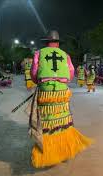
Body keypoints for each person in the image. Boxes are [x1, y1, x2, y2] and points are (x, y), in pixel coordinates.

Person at [29, 30, 92, 168]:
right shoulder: (65, 55)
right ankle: (64, 149)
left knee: (47, 122)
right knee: (63, 118)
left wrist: (40, 81)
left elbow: (34, 74)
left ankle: (48, 151)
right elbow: (70, 74)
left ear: (46, 42)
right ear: (58, 43)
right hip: (62, 92)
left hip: (46, 92)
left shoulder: (39, 53)